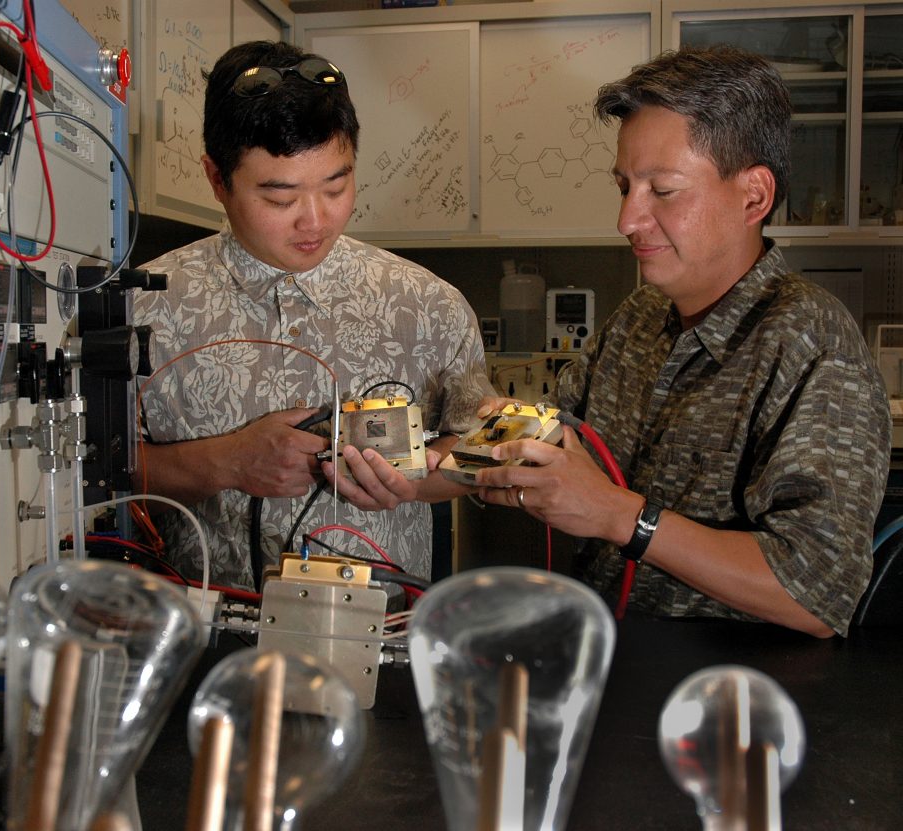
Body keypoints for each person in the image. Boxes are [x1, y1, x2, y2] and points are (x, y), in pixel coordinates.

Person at [474, 45, 891, 638]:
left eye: (662, 191)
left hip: (733, 697)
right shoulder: (640, 316)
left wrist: (625, 518)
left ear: (754, 196)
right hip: (610, 662)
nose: (626, 219)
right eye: (624, 187)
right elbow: (566, 437)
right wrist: (454, 454)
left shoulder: (812, 344)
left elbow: (817, 595)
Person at [133, 40, 491, 591]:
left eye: (337, 185)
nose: (315, 221)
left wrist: (412, 484)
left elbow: (474, 448)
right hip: (200, 630)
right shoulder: (145, 304)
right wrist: (224, 462)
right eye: (279, 198)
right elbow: (95, 473)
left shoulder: (429, 306)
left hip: (381, 639)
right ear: (216, 179)